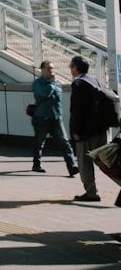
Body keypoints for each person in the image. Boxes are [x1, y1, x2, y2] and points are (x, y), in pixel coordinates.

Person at [69, 55, 110, 202]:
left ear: (76, 68)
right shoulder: (95, 81)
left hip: (85, 132)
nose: (70, 69)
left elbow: (76, 110)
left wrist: (75, 131)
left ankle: (91, 192)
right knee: (104, 160)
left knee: (85, 162)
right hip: (100, 129)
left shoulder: (78, 84)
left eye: (71, 67)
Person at [30, 61, 78, 176]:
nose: (51, 71)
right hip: (42, 117)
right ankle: (36, 164)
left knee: (65, 142)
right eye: (48, 69)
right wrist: (52, 83)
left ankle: (71, 167)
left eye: (52, 69)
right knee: (39, 142)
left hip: (56, 118)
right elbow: (45, 93)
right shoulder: (38, 83)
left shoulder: (57, 84)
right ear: (42, 70)